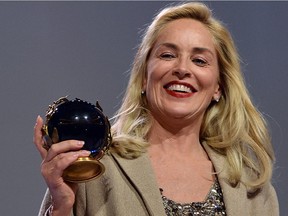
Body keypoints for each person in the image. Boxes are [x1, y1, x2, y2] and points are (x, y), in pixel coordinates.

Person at [34, 2, 279, 216]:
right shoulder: (96, 167)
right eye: (168, 55)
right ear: (143, 76)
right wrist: (61, 207)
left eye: (199, 60)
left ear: (218, 86)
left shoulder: (251, 186)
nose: (183, 69)